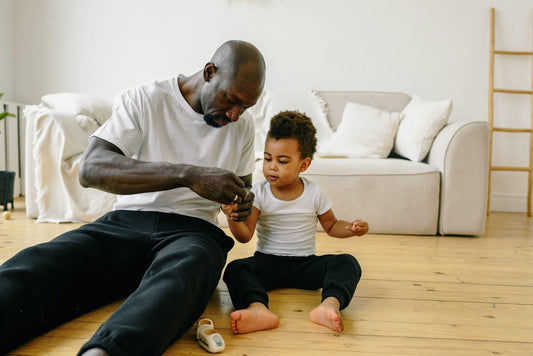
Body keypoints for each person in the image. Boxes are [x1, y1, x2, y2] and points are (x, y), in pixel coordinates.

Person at [0, 40, 266, 356]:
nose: (235, 115)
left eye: (246, 108)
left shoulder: (243, 127)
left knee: (187, 271)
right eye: (231, 101)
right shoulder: (146, 99)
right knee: (42, 264)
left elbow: (243, 193)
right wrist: (189, 175)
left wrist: (242, 204)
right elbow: (91, 168)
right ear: (210, 72)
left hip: (194, 234)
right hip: (124, 223)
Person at [221, 111, 368, 335]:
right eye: (268, 158)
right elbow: (245, 235)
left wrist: (350, 229)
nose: (272, 166)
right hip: (267, 264)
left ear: (304, 165)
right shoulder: (259, 192)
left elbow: (331, 226)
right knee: (236, 269)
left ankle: (329, 304)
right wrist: (232, 217)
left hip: (305, 266)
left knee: (348, 262)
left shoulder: (314, 192)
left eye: (282, 161)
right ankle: (257, 308)